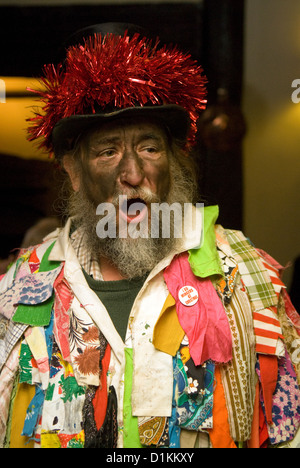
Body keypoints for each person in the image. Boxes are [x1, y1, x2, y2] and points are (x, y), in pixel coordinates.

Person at [0, 23, 299, 450]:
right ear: (74, 172)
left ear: (171, 163)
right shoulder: (22, 286)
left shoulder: (245, 270)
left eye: (149, 148)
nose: (133, 175)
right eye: (107, 151)